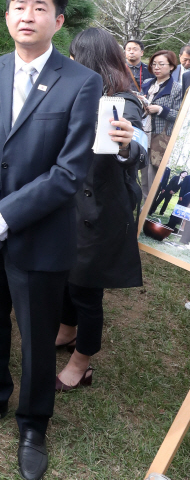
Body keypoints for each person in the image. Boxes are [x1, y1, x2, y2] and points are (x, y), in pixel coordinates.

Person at [0, 0, 102, 480]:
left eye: (38, 7)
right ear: (7, 16)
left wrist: (7, 213)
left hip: (38, 233)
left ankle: (33, 423)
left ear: (58, 20)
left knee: (37, 334)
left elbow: (70, 169)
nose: (25, 16)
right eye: (17, 7)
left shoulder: (81, 82)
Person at [54, 28, 147, 391]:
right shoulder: (78, 93)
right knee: (65, 276)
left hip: (102, 211)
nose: (71, 61)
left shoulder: (125, 102)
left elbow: (137, 148)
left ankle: (83, 362)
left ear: (92, 60)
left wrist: (127, 145)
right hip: (70, 204)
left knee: (86, 289)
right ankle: (66, 330)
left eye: (77, 56)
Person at [141, 50, 182, 199]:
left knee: (154, 176)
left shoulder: (176, 88)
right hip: (143, 134)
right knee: (143, 175)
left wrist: (160, 110)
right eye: (154, 64)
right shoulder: (147, 83)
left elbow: (180, 115)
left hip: (160, 137)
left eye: (161, 64)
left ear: (171, 66)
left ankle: (148, 212)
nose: (156, 67)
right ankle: (143, 209)